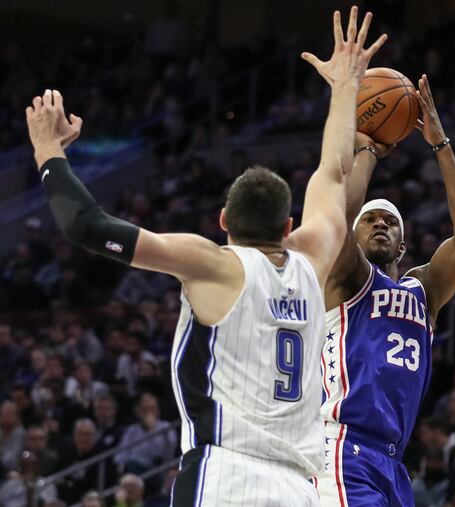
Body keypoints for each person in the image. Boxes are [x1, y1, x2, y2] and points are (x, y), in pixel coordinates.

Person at [25, 6, 386, 506]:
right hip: (301, 488)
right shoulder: (315, 254)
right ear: (287, 227)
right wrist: (346, 85)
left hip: (226, 476)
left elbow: (87, 227)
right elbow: (336, 168)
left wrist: (48, 150)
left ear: (223, 222)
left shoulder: (212, 262)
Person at [314, 70, 455, 506]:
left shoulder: (423, 289)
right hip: (342, 444)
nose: (381, 224)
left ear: (403, 244)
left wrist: (440, 145)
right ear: (354, 236)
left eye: (390, 221)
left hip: (392, 460)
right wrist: (368, 149)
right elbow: (337, 218)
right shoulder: (346, 278)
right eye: (370, 220)